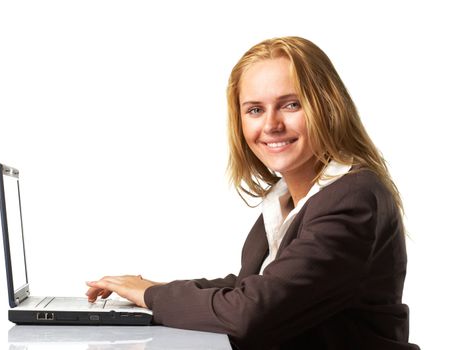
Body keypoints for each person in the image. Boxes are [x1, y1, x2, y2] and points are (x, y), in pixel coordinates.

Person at [85, 36, 420, 350]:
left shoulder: (352, 198)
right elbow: (252, 285)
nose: (271, 125)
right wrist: (152, 290)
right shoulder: (288, 195)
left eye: (290, 105)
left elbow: (251, 312)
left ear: (328, 107)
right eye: (255, 110)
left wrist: (154, 297)